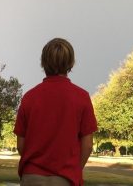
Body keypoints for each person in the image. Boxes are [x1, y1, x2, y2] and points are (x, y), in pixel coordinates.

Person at [14, 38, 97, 186]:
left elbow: (21, 145)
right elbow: (88, 145)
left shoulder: (29, 97)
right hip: (66, 177)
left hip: (31, 177)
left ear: (43, 62)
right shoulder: (81, 97)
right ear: (71, 63)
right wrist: (74, 170)